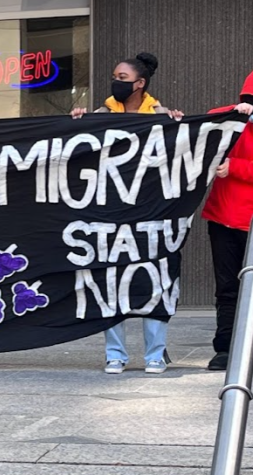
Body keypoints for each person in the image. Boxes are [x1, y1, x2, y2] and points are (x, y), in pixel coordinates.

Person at [71, 52, 183, 374]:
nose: (115, 83)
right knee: (111, 280)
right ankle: (115, 354)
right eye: (114, 77)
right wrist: (77, 122)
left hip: (152, 210)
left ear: (140, 83)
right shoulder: (100, 114)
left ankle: (155, 355)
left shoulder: (161, 115)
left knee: (156, 275)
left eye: (122, 79)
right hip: (111, 210)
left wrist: (181, 126)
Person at [202, 71, 253, 371]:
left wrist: (234, 168)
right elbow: (207, 119)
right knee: (226, 287)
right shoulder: (230, 121)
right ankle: (225, 347)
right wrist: (236, 112)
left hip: (249, 221)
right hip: (222, 218)